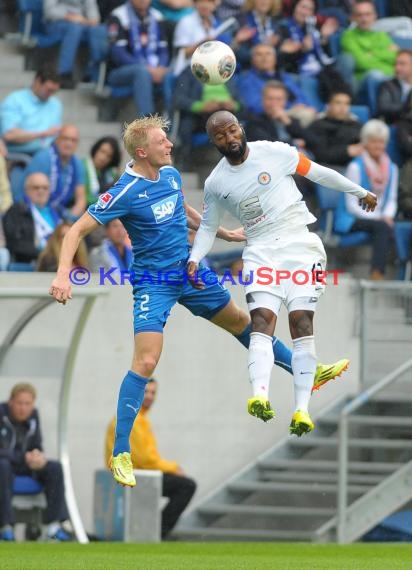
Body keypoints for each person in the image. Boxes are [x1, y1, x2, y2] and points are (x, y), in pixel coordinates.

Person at [48, 114, 349, 488]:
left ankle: (310, 372)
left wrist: (221, 231)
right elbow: (77, 229)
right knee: (145, 360)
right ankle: (121, 453)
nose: (170, 145)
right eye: (162, 141)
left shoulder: (171, 176)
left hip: (188, 271)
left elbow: (184, 210)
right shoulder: (123, 191)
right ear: (143, 151)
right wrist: (63, 274)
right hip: (153, 283)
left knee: (242, 322)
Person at [187, 110, 376, 440]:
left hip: (299, 244)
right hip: (260, 250)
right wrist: (194, 257)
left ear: (241, 128)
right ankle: (260, 396)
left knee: (301, 322)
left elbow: (318, 173)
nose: (229, 139)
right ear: (213, 141)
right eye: (220, 136)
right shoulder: (216, 183)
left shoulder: (275, 152)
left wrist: (359, 192)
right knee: (261, 320)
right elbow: (208, 226)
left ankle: (301, 410)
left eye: (232, 130)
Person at [105, 378, 196, 539]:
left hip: (134, 473)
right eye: (146, 391)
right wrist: (174, 468)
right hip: (134, 475)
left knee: (180, 484)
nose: (149, 396)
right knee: (186, 486)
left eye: (153, 392)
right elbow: (147, 460)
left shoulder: (137, 417)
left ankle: (155, 531)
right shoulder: (135, 420)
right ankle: (158, 533)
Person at [0, 383, 70, 542]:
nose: (23, 408)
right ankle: (5, 526)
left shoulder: (33, 417)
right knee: (2, 466)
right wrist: (22, 457)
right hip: (5, 465)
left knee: (54, 468)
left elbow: (36, 444)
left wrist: (37, 456)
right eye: (19, 403)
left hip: (25, 464)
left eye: (27, 404)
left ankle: (53, 525)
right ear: (11, 402)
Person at [335, 119, 398, 280]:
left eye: (381, 142)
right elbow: (351, 205)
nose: (378, 146)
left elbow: (391, 198)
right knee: (382, 228)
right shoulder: (355, 167)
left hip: (378, 219)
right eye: (373, 142)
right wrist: (380, 218)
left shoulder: (392, 168)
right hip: (351, 218)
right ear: (365, 143)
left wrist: (387, 216)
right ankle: (377, 273)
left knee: (387, 228)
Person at [23, 125, 87, 220]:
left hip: (61, 213)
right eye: (65, 138)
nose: (69, 144)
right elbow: (31, 193)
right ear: (57, 140)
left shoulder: (77, 164)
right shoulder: (43, 158)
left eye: (73, 140)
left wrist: (70, 219)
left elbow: (81, 199)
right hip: (36, 212)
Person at [43, 0, 108, 88]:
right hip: (56, 22)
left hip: (80, 23)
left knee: (99, 30)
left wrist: (92, 20)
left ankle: (92, 74)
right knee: (74, 28)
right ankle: (64, 73)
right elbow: (49, 12)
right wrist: (70, 17)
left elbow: (92, 10)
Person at [0, 66, 62, 157]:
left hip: (48, 154)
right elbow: (9, 135)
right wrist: (42, 134)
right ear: (37, 81)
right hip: (19, 155)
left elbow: (56, 135)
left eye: (54, 91)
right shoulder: (15, 100)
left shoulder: (56, 104)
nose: (51, 94)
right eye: (49, 90)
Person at [3, 173, 60, 265]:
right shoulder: (16, 211)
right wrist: (43, 253)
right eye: (36, 188)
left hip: (58, 259)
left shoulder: (58, 212)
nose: (41, 191)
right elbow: (15, 244)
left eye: (45, 188)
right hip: (31, 262)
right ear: (26, 190)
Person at [304, 91, 362, 172]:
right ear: (329, 105)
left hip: (355, 167)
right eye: (338, 103)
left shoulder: (356, 125)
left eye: (347, 104)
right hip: (328, 169)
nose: (343, 107)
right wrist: (347, 151)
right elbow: (320, 155)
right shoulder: (318, 125)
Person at [82, 136, 122, 205]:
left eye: (108, 156)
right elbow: (84, 198)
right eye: (102, 151)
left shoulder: (111, 173)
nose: (103, 158)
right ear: (96, 149)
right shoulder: (82, 166)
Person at [377, 50, 412, 124]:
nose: (397, 68)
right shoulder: (388, 85)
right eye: (395, 64)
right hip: (396, 124)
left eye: (402, 64)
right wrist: (408, 106)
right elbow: (384, 107)